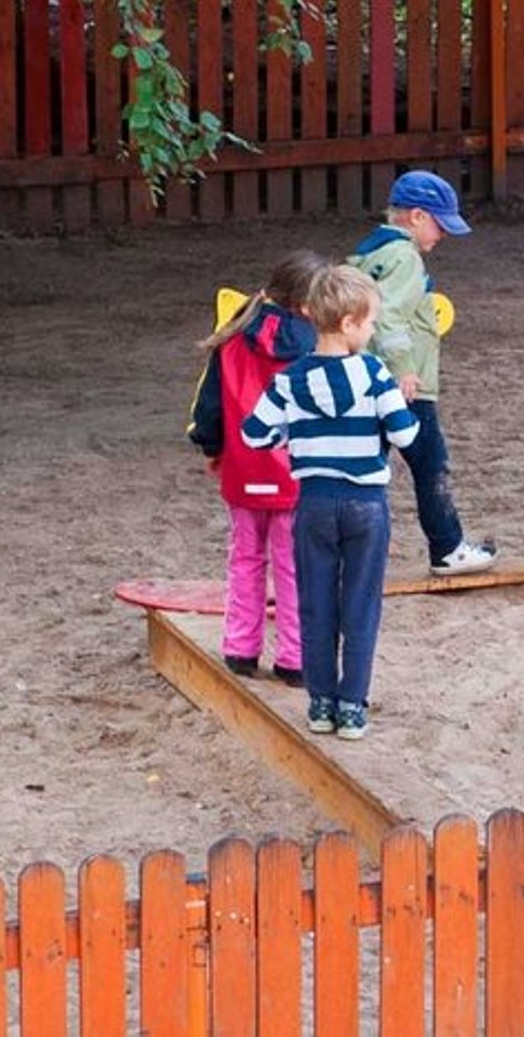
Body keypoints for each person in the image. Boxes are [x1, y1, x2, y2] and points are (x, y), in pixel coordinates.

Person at [242, 264, 419, 739]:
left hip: (314, 505)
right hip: (366, 504)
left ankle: (320, 704)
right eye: (371, 322)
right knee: (360, 605)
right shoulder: (374, 373)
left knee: (315, 603)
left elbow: (253, 434)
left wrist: (292, 434)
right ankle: (353, 707)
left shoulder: (290, 380)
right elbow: (405, 433)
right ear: (348, 323)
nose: (373, 329)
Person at [345, 170, 497, 576]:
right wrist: (405, 370)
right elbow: (389, 316)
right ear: (415, 216)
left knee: (364, 467)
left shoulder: (368, 252)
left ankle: (350, 557)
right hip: (407, 386)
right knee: (431, 462)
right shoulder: (405, 258)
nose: (442, 235)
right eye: (439, 224)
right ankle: (447, 548)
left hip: (364, 376)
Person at [187, 250, 326, 685]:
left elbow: (209, 406)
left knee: (245, 558)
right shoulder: (317, 348)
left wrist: (213, 448)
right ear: (307, 306)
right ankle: (295, 658)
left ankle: (240, 649)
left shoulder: (233, 337)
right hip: (296, 474)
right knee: (293, 566)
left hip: (243, 469)